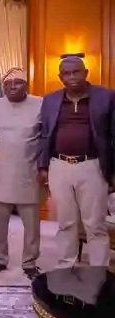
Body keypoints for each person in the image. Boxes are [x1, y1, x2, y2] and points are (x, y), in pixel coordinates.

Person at [39, 55, 114, 268]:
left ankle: (99, 271)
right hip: (59, 166)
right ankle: (66, 267)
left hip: (93, 166)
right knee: (66, 223)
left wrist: (112, 173)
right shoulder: (51, 99)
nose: (71, 77)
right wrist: (43, 166)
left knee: (95, 224)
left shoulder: (106, 97)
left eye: (76, 72)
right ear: (60, 77)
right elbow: (44, 134)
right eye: (66, 73)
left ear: (86, 73)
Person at [0, 68, 42, 279]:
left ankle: (30, 262)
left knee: (32, 225)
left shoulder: (40, 104)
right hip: (0, 172)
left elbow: (47, 137)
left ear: (26, 85)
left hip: (29, 172)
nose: (12, 87)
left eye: (18, 83)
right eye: (8, 84)